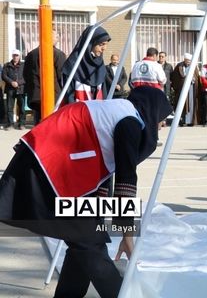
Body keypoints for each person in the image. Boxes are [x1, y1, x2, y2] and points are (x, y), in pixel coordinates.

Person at [0, 86, 172, 298]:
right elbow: (126, 181)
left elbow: (103, 175)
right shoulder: (130, 122)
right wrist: (127, 234)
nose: (162, 125)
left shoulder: (118, 112)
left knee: (86, 239)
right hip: (47, 169)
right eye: (163, 118)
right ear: (153, 110)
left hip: (51, 166)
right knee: (90, 244)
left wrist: (97, 218)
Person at [23, 30, 67, 124]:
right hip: (53, 96)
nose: (58, 39)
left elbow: (25, 74)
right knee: (52, 124)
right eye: (56, 37)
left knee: (38, 123)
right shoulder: (58, 54)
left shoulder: (31, 54)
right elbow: (62, 76)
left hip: (36, 96)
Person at [62, 26, 111, 103]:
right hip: (78, 111)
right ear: (90, 43)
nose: (104, 48)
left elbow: (104, 92)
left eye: (106, 45)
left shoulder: (100, 64)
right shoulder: (73, 64)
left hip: (97, 111)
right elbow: (68, 96)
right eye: (101, 44)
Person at [171, 53, 200, 126]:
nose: (188, 62)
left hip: (191, 88)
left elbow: (197, 77)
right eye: (187, 61)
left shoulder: (194, 66)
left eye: (189, 61)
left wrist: (193, 79)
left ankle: (191, 121)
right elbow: (175, 78)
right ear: (184, 60)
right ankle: (182, 121)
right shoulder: (179, 66)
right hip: (182, 89)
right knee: (182, 104)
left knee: (191, 104)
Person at [2, 50, 26, 129]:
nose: (15, 57)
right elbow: (4, 76)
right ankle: (10, 124)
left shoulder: (24, 65)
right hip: (10, 90)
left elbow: (26, 77)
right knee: (9, 108)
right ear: (12, 56)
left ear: (19, 56)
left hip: (21, 89)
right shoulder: (7, 65)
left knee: (22, 108)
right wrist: (11, 82)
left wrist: (18, 83)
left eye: (17, 55)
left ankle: (21, 124)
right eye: (14, 55)